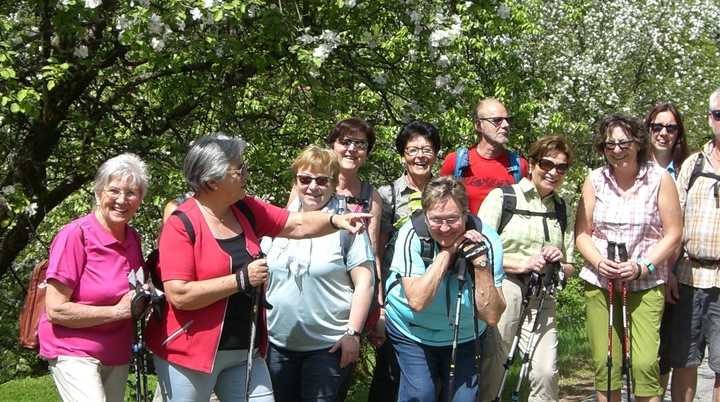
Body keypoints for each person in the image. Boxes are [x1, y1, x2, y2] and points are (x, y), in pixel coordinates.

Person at [146, 134, 371, 402]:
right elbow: (179, 295)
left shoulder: (246, 209)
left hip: (245, 352)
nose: (247, 175)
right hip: (190, 354)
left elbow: (296, 224)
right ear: (212, 181)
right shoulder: (181, 224)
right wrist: (240, 280)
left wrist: (336, 220)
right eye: (239, 170)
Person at [575, 112, 682, 402]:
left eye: (624, 143)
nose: (617, 150)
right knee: (606, 364)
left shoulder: (659, 179)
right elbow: (582, 234)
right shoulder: (595, 179)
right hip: (601, 282)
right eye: (610, 145)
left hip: (646, 283)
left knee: (645, 363)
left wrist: (643, 265)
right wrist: (599, 262)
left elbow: (673, 232)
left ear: (637, 143)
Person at [264, 145, 375, 401]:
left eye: (322, 180)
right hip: (278, 345)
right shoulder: (278, 221)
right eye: (305, 179)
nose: (312, 187)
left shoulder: (347, 225)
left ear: (334, 183)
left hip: (328, 347)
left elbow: (365, 282)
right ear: (295, 182)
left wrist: (352, 334)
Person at [38, 153, 149, 402]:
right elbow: (56, 310)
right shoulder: (75, 236)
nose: (122, 200)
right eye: (114, 191)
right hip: (73, 349)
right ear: (98, 194)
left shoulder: (134, 239)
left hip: (116, 351)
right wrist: (118, 312)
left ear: (140, 199)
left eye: (131, 193)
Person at [384, 175, 506, 401]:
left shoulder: (488, 239)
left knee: (463, 399)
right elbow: (417, 301)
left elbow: (491, 317)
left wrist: (480, 264)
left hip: (466, 334)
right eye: (436, 220)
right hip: (412, 330)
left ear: (465, 213)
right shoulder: (411, 234)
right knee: (420, 394)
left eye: (452, 219)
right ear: (425, 215)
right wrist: (447, 253)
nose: (445, 228)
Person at [478, 135, 576, 402]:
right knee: (495, 363)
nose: (553, 172)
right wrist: (521, 263)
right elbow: (481, 249)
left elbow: (569, 265)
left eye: (562, 167)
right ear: (531, 163)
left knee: (546, 371)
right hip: (504, 288)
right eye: (547, 164)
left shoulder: (563, 209)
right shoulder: (503, 197)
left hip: (543, 294)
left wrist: (558, 261)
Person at [371, 120, 441, 401]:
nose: (420, 156)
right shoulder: (387, 194)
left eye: (427, 149)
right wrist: (379, 304)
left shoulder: (449, 191)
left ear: (436, 154)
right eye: (413, 150)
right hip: (396, 297)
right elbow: (376, 251)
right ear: (402, 155)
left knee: (432, 377)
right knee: (389, 374)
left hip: (437, 296)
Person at [670, 87, 720, 402]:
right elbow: (674, 225)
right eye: (719, 115)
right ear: (710, 118)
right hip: (688, 276)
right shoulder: (692, 165)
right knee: (684, 360)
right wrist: (669, 273)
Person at [643, 103, 689, 398]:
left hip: (678, 273)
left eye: (670, 128)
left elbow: (681, 229)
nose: (663, 133)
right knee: (644, 353)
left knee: (668, 351)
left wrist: (671, 271)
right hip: (641, 271)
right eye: (657, 127)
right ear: (647, 130)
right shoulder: (635, 168)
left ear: (678, 134)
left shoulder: (686, 171)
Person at [440, 98, 529, 213]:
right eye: (497, 120)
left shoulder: (519, 165)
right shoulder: (455, 161)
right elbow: (439, 204)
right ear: (478, 125)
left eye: (508, 120)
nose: (506, 125)